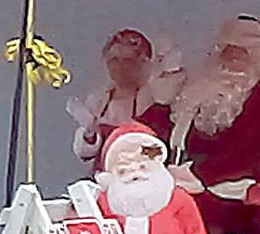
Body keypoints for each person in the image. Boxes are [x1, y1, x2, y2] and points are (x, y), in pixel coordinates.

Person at [143, 16, 260, 200]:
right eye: (228, 50)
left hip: (231, 202)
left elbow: (249, 156)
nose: (234, 57)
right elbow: (154, 135)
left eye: (244, 52)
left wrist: (196, 175)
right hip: (174, 190)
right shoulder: (194, 93)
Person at [68, 30, 185, 169]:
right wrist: (89, 133)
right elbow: (84, 154)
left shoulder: (152, 97)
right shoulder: (98, 100)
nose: (120, 67)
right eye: (115, 60)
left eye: (128, 60)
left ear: (142, 63)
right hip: (105, 177)